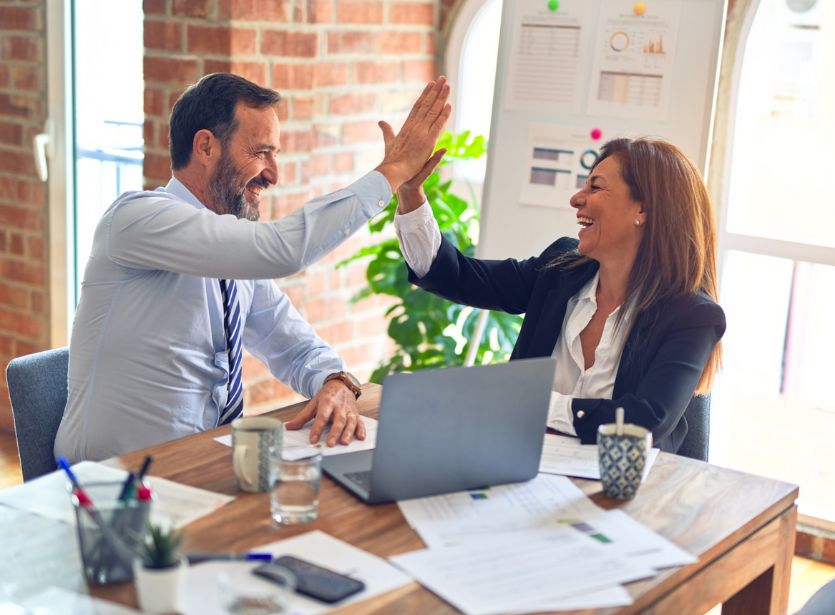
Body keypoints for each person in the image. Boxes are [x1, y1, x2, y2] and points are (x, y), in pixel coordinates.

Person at [55, 72, 451, 462]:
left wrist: (335, 381)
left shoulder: (232, 256)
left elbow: (293, 345)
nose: (273, 174)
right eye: (261, 152)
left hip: (202, 469)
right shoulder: (137, 219)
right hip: (111, 485)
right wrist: (394, 171)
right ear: (206, 147)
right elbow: (283, 250)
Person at [393, 137, 725, 453]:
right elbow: (456, 276)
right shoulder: (560, 269)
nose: (577, 199)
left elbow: (643, 422)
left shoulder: (692, 316)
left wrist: (531, 402)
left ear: (644, 210)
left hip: (626, 495)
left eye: (595, 187)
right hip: (523, 469)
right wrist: (410, 193)